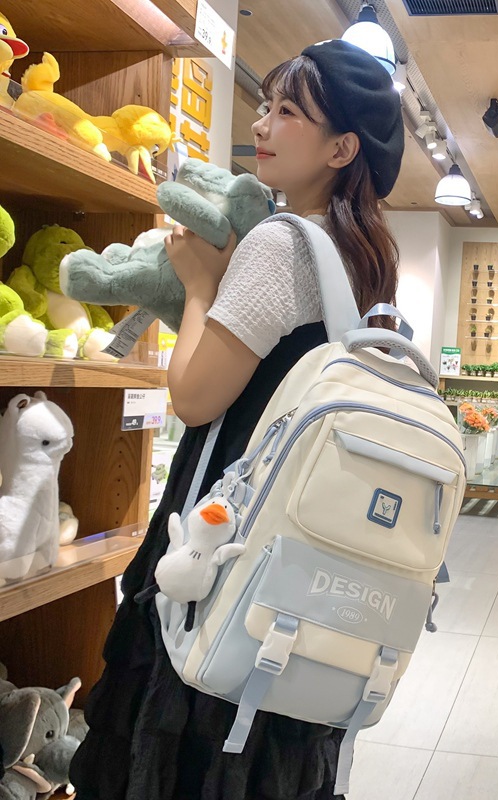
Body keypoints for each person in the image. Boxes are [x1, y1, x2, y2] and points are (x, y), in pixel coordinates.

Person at [70, 39, 404, 800]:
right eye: (266, 105)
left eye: (289, 111)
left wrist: (198, 285)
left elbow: (195, 397)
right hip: (295, 548)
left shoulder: (278, 244)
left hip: (219, 536)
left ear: (342, 148)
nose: (262, 123)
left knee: (177, 736)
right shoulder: (365, 257)